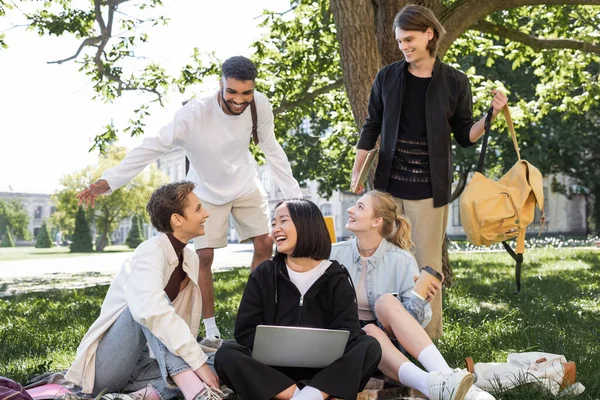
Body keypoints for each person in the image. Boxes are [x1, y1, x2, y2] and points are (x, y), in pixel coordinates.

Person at [75, 56, 303, 339]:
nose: (239, 100)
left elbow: (272, 149)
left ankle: (253, 316)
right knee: (204, 257)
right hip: (206, 190)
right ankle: (211, 329)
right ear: (220, 84)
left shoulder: (259, 105)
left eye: (246, 92)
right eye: (232, 92)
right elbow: (152, 147)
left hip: (245, 182)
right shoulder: (193, 115)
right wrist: (110, 180)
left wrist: (296, 198)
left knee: (266, 243)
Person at [350, 4, 508, 339]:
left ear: (429, 34)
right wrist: (358, 171)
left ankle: (428, 339)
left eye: (409, 39)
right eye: (399, 41)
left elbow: (465, 135)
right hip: (389, 186)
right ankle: (385, 337)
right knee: (385, 259)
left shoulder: (454, 81)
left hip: (429, 188)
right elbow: (371, 126)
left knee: (427, 266)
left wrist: (490, 116)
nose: (404, 46)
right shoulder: (387, 77)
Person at [65, 182, 226, 400]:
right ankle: (195, 391)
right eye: (198, 209)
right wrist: (196, 363)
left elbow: (176, 328)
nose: (205, 214)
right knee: (147, 308)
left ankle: (137, 396)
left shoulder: (190, 258)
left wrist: (200, 362)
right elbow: (151, 311)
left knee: (221, 363)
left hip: (147, 363)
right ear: (177, 219)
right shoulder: (150, 253)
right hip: (108, 367)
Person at [330, 190, 495, 400]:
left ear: (377, 221)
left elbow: (411, 323)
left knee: (385, 304)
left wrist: (421, 301)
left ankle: (447, 378)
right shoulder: (333, 253)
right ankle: (437, 386)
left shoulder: (401, 260)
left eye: (360, 207)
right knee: (368, 330)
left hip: (386, 345)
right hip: (346, 339)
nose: (350, 209)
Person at [214, 199, 382, 400]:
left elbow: (348, 332)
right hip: (272, 372)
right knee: (227, 354)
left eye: (283, 221)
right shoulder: (264, 273)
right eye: (273, 224)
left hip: (325, 371)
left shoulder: (336, 276)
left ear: (307, 224)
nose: (276, 229)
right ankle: (302, 395)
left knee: (369, 346)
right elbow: (245, 332)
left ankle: (308, 394)